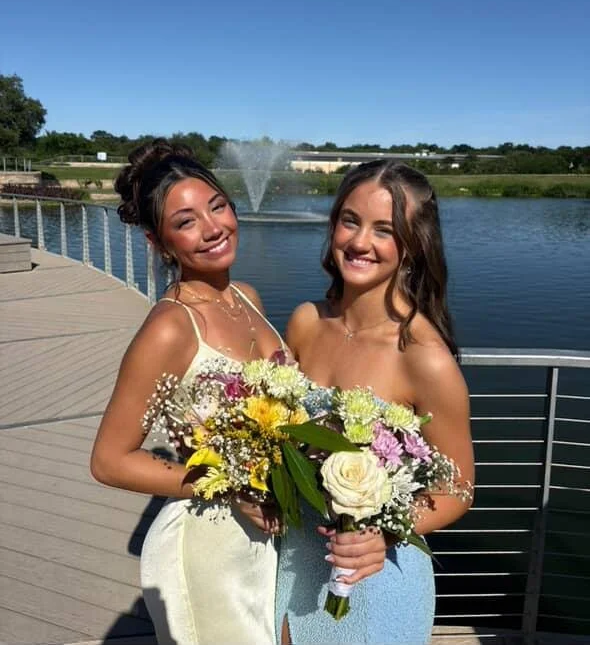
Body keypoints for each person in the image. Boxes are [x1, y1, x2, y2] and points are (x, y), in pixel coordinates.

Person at [91, 139, 284, 645]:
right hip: (209, 544)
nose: (213, 227)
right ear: (159, 242)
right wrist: (227, 484)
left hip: (267, 534)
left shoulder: (247, 297)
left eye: (217, 206)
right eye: (186, 221)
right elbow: (110, 460)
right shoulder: (172, 328)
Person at [276, 160, 474, 645]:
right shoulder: (305, 322)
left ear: (412, 247)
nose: (360, 242)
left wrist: (383, 533)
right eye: (350, 220)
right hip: (291, 565)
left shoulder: (424, 358)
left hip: (376, 580)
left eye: (385, 230)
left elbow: (459, 488)